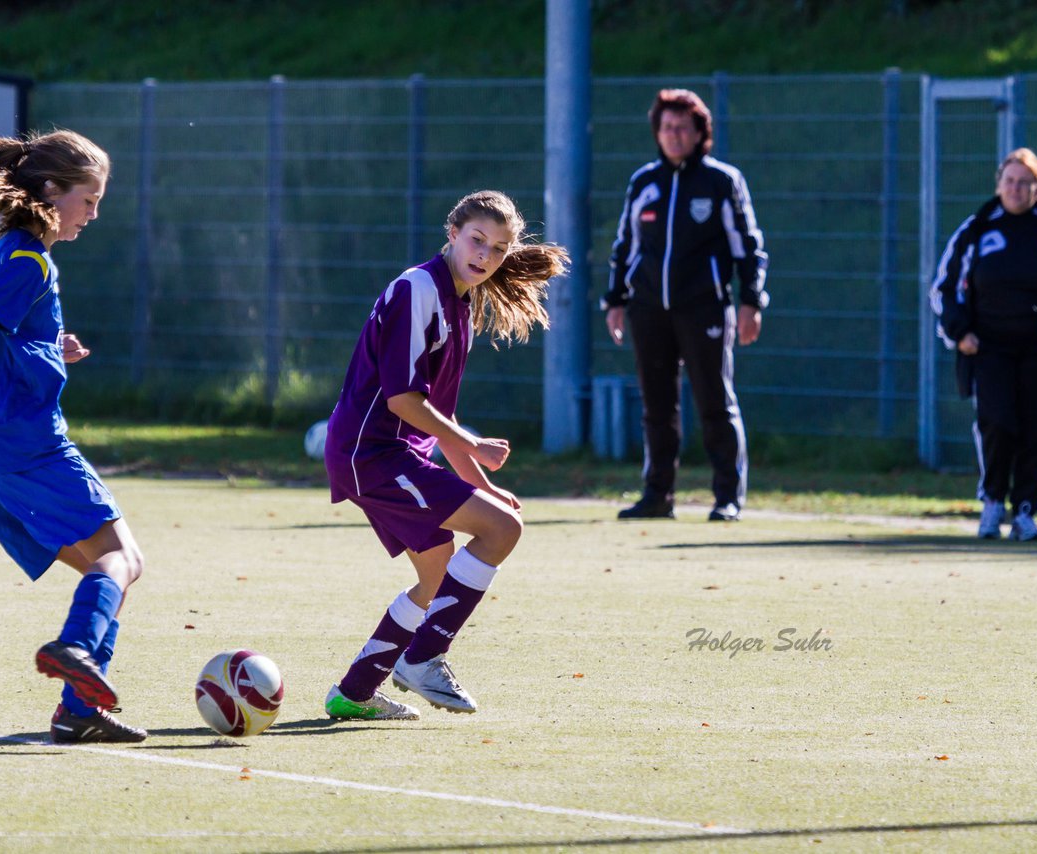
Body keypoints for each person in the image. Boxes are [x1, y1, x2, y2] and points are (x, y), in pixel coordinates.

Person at [322, 190, 568, 720]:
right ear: (452, 232)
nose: (485, 255)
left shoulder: (459, 307)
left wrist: (479, 480)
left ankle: (354, 692)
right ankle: (425, 658)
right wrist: (475, 448)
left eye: (498, 249)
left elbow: (440, 424)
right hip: (372, 454)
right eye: (477, 239)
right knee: (502, 531)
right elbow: (403, 401)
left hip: (389, 452)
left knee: (437, 579)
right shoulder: (418, 289)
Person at [0, 130, 147, 743]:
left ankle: (78, 710)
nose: (94, 213)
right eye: (89, 199)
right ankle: (76, 652)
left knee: (104, 572)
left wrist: (54, 348)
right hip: (25, 446)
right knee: (123, 558)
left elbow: (3, 335)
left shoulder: (0, 254)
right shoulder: (29, 259)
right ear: (51, 191)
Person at [602, 88, 769, 523]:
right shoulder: (644, 183)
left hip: (706, 308)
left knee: (715, 400)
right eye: (666, 127)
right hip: (648, 309)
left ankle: (727, 498)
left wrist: (751, 301)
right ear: (657, 132)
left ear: (700, 133)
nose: (674, 135)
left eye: (682, 128)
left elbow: (747, 246)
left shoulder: (721, 182)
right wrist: (616, 299)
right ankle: (657, 495)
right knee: (657, 406)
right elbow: (625, 245)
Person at [930, 148, 1037, 541]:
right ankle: (993, 501)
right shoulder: (978, 229)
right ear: (999, 185)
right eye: (1009, 181)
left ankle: (1026, 511)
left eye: (1025, 183)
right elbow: (943, 288)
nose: (1016, 189)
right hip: (989, 350)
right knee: (998, 423)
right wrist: (960, 332)